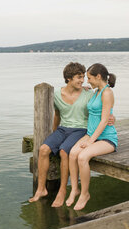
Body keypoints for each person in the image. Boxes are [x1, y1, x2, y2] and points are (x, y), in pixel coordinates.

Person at [29, 62, 93, 207]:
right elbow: (57, 115)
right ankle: (41, 189)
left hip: (80, 130)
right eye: (79, 77)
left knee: (64, 152)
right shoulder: (57, 95)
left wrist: (109, 118)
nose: (82, 80)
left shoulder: (88, 93)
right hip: (62, 129)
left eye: (83, 77)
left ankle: (62, 191)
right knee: (43, 149)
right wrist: (53, 135)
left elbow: (98, 110)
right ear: (68, 78)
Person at [66, 63, 117, 211]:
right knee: (72, 153)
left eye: (89, 78)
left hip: (106, 138)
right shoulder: (96, 92)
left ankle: (84, 194)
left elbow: (103, 120)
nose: (87, 81)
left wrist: (90, 141)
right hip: (92, 135)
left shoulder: (107, 93)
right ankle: (74, 189)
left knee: (82, 157)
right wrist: (84, 89)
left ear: (98, 76)